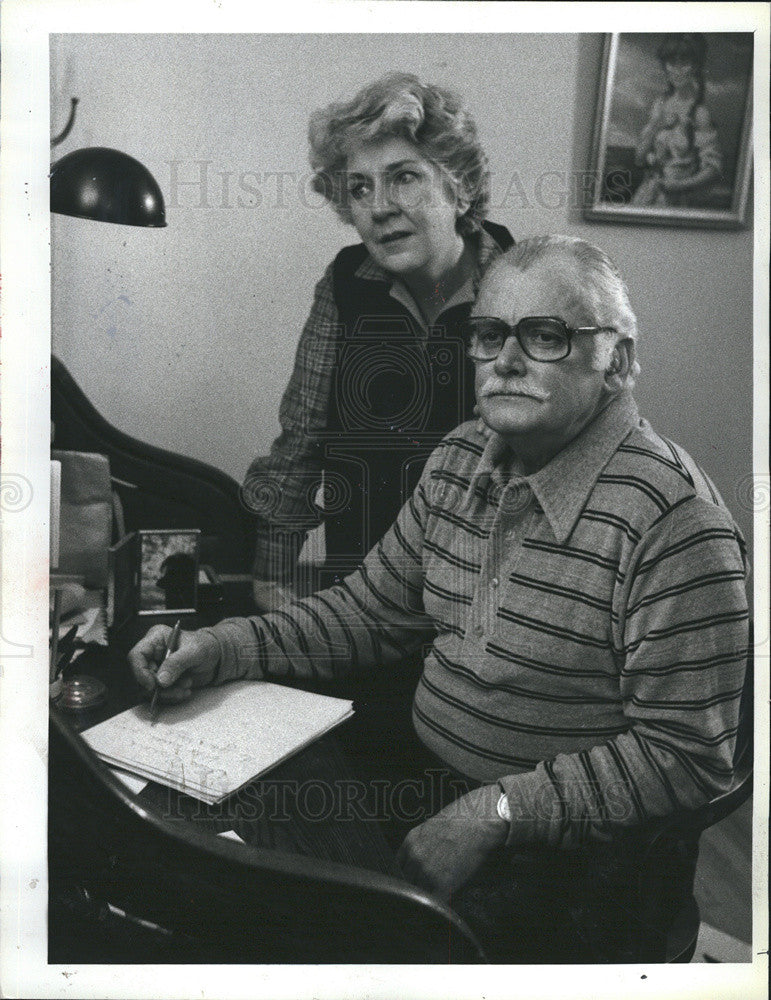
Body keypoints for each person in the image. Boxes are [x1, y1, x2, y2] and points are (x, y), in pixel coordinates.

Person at [131, 236, 748, 961]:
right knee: (211, 860)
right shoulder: (459, 458)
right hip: (428, 783)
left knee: (324, 942)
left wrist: (498, 812)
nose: (506, 360)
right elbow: (364, 613)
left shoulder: (675, 520)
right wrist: (222, 646)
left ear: (616, 359)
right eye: (489, 334)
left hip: (579, 855)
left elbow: (684, 757)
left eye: (545, 336)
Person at [242, 73, 513, 612]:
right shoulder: (344, 285)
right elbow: (300, 441)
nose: (378, 207)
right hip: (359, 595)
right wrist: (273, 579)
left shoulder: (522, 283)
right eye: (360, 188)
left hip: (487, 600)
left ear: (457, 186)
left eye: (404, 177)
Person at [632, 33, 722, 208]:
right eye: (672, 63)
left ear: (695, 66)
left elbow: (713, 169)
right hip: (648, 194)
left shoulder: (699, 113)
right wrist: (656, 124)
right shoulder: (661, 103)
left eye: (684, 63)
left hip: (677, 199)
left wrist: (679, 185)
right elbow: (639, 159)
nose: (677, 70)